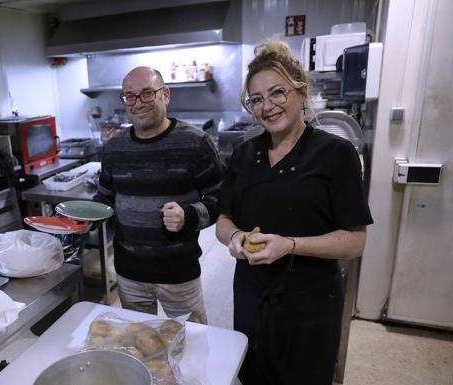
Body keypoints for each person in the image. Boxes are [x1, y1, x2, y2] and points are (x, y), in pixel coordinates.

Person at [216, 38, 373, 384]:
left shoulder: (335, 154)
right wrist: (237, 236)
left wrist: (290, 244)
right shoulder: (244, 154)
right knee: (253, 374)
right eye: (256, 99)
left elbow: (354, 242)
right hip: (252, 295)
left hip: (310, 304)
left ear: (301, 92)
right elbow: (223, 221)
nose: (267, 106)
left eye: (277, 93)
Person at [93, 66, 224, 324]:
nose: (137, 103)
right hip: (129, 274)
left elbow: (220, 200)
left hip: (179, 273)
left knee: (191, 345)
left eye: (146, 94)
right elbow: (105, 199)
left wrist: (188, 215)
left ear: (165, 95)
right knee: (138, 345)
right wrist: (81, 219)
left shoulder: (195, 143)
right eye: (129, 96)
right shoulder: (114, 147)